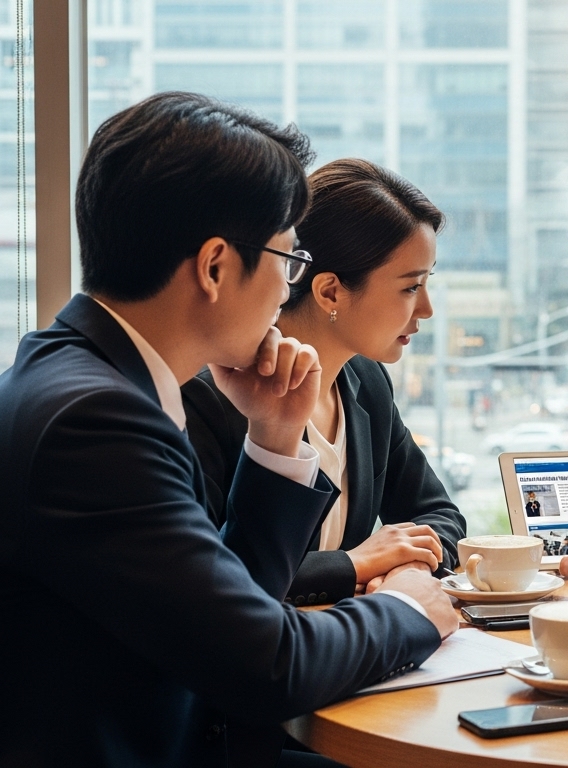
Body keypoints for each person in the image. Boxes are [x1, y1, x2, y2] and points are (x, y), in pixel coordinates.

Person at [0, 92, 458, 767]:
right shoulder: (97, 423)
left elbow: (233, 614)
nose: (285, 291)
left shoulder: (76, 372)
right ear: (216, 267)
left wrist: (273, 439)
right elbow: (267, 667)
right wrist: (411, 612)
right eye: (288, 260)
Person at [183, 158, 465, 606]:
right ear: (330, 290)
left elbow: (439, 514)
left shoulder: (366, 381)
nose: (426, 308)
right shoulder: (210, 396)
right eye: (411, 287)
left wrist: (409, 566)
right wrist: (353, 565)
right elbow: (208, 578)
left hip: (348, 640)